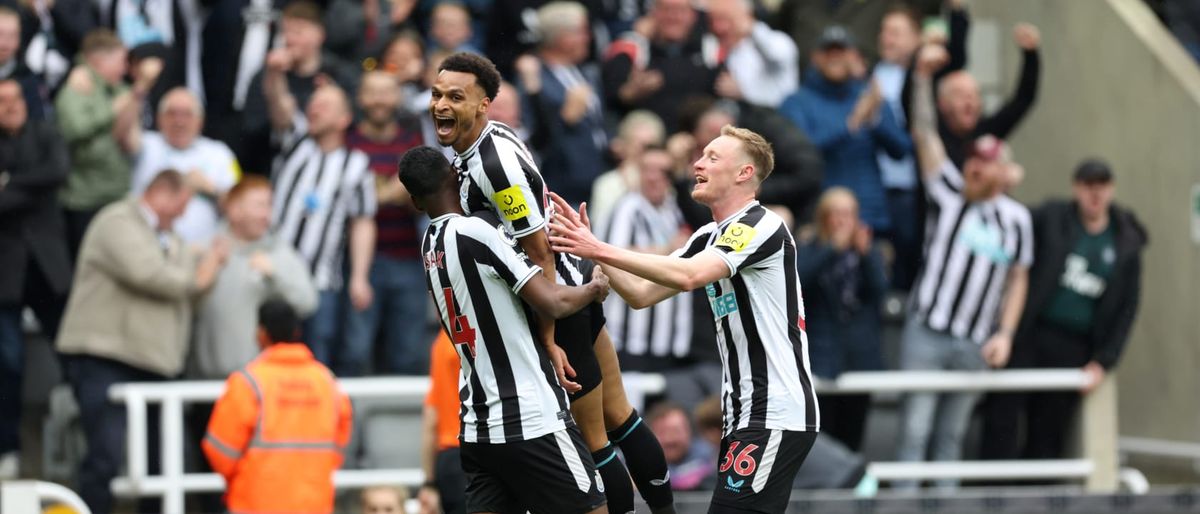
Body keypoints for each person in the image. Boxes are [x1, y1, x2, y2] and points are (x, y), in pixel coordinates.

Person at [432, 51, 678, 514]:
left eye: (456, 97)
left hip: (561, 300)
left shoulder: (490, 164)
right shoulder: (486, 143)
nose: (442, 105)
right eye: (437, 94)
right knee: (619, 416)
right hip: (573, 286)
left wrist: (548, 333)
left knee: (595, 441)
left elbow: (537, 248)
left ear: (483, 104)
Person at [549, 124, 820, 513]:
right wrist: (591, 250)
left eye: (712, 157)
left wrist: (600, 247)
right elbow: (642, 295)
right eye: (700, 155)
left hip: (775, 410)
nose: (697, 163)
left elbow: (690, 276)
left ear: (745, 173)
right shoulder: (708, 235)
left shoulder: (761, 224)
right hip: (744, 412)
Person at [398, 145, 610, 514]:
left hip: (477, 428)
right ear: (456, 175)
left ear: (416, 202)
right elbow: (553, 301)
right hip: (531, 417)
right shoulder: (476, 232)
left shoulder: (428, 245)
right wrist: (594, 287)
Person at [897, 44, 1033, 491]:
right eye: (977, 160)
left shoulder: (1016, 219)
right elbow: (923, 132)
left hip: (975, 338)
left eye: (990, 164)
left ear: (1004, 170)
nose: (979, 169)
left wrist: (1005, 334)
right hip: (929, 327)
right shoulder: (950, 191)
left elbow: (1018, 278)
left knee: (950, 437)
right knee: (914, 432)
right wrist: (920, 79)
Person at [57, 169, 227, 514]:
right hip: (105, 358)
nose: (183, 213)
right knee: (104, 455)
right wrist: (204, 270)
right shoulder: (116, 220)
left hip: (157, 364)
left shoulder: (173, 238)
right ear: (162, 193)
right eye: (182, 204)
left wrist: (200, 274)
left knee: (161, 464)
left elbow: (188, 296)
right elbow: (150, 275)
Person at [981, 159, 1148, 462]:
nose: (1094, 194)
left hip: (1075, 346)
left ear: (1111, 189)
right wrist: (1004, 184)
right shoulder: (1053, 217)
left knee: (1048, 429)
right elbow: (1011, 222)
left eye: (1101, 186)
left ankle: (1038, 499)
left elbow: (1127, 308)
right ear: (1076, 187)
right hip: (1031, 333)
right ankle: (992, 495)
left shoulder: (1125, 241)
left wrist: (1104, 360)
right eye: (1087, 186)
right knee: (1002, 414)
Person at [264, 44, 377, 373]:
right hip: (274, 271)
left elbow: (362, 221)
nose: (315, 109)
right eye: (313, 103)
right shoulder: (296, 141)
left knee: (316, 358)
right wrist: (275, 72)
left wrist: (359, 277)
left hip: (321, 280)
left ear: (344, 118)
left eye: (325, 105)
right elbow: (279, 103)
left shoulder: (355, 164)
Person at [202, 300, 353, 514]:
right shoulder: (327, 382)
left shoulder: (247, 382)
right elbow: (339, 445)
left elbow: (219, 450)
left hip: (255, 504)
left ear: (261, 334)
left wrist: (244, 477)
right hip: (313, 505)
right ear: (297, 332)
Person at [0, 77, 70, 479]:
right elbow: (45, 180)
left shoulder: (46, 134)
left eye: (15, 99)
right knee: (8, 364)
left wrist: (10, 182)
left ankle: (74, 432)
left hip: (48, 268)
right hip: (7, 275)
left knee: (71, 353)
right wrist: (34, 184)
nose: (10, 106)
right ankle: (8, 447)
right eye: (2, 101)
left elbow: (58, 171)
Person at [781, 25, 911, 234]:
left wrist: (875, 119)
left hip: (869, 217)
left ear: (855, 56)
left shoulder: (869, 96)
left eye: (842, 51)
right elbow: (800, 153)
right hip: (820, 217)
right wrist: (853, 123)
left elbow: (902, 150)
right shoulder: (796, 102)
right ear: (815, 57)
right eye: (828, 52)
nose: (835, 58)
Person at [190, 176, 319, 380]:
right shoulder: (204, 249)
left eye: (269, 205)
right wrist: (208, 264)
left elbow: (308, 303)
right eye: (259, 206)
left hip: (259, 383)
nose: (266, 215)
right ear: (234, 209)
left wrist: (275, 275)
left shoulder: (280, 254)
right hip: (203, 384)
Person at [344, 71, 429, 375]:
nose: (379, 100)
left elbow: (425, 199)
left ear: (397, 97)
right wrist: (383, 193)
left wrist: (403, 194)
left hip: (408, 258)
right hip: (357, 263)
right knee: (356, 351)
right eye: (372, 92)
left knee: (408, 353)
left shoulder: (413, 141)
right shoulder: (347, 141)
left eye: (386, 92)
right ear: (360, 98)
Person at [796, 188, 887, 452]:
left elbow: (879, 292)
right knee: (822, 434)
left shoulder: (870, 252)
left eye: (848, 214)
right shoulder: (809, 249)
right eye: (835, 213)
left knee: (853, 432)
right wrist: (830, 250)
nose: (842, 221)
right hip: (822, 355)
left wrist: (867, 255)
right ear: (823, 218)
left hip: (860, 355)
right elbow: (798, 284)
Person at [55, 29, 153, 256]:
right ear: (98, 60)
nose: (125, 68)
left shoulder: (118, 88)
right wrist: (112, 110)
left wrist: (135, 96)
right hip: (85, 198)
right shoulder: (77, 86)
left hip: (116, 192)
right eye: (121, 60)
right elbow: (74, 129)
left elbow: (131, 141)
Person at [599, 146, 693, 373]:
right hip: (630, 343)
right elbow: (611, 260)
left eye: (662, 171)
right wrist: (667, 250)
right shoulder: (627, 208)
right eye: (646, 170)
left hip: (670, 345)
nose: (653, 177)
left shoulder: (675, 210)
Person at [240, 1, 359, 175]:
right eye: (285, 31)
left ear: (319, 34)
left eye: (298, 31)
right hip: (276, 167)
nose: (290, 38)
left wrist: (333, 100)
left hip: (333, 169)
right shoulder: (266, 75)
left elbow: (356, 123)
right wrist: (274, 76)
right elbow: (255, 129)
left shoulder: (340, 75)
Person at [524, 1, 610, 208]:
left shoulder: (586, 72)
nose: (588, 37)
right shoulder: (534, 75)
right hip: (562, 184)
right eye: (581, 31)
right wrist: (564, 119)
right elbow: (533, 133)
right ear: (561, 37)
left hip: (596, 176)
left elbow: (599, 122)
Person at [131, 87, 240, 245]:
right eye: (172, 113)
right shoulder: (145, 144)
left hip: (202, 250)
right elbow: (122, 134)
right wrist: (140, 87)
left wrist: (211, 190)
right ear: (159, 118)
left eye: (187, 114)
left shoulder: (220, 153)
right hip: (147, 246)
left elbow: (240, 206)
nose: (179, 121)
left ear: (200, 121)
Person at [935, 23, 1041, 169]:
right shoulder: (931, 133)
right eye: (960, 95)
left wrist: (1030, 54)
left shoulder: (985, 132)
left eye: (974, 95)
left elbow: (1023, 99)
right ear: (942, 103)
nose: (969, 102)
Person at [601, 0, 718, 132]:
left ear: (693, 16)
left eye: (681, 11)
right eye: (666, 9)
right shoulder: (633, 47)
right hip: (647, 140)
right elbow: (609, 98)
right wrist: (630, 93)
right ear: (653, 13)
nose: (673, 17)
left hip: (699, 140)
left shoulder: (710, 50)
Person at [704, 0, 798, 108]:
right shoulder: (713, 47)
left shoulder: (777, 41)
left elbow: (776, 57)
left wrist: (745, 93)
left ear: (746, 16)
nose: (718, 27)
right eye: (711, 20)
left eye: (724, 19)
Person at [589, 109, 667, 228]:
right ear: (624, 145)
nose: (647, 153)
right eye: (642, 146)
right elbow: (601, 234)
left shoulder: (667, 183)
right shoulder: (607, 185)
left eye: (652, 146)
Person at [417, 331, 466, 514]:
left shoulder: (442, 341)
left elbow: (431, 417)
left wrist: (429, 483)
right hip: (481, 447)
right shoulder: (484, 332)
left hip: (450, 457)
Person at [646, 402, 716, 492]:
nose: (669, 439)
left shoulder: (709, 453)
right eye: (662, 432)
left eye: (676, 431)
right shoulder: (639, 462)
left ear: (689, 431)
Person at [0, 7, 49, 119]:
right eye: (0, 34)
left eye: (12, 35)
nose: (4, 44)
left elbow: (38, 122)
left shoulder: (28, 78)